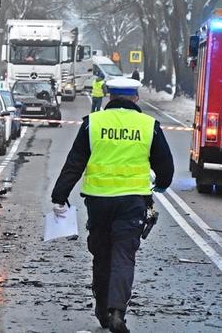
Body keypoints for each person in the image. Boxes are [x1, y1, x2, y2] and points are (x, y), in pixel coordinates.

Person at [51, 78, 174, 332]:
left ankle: (102, 309)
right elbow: (165, 166)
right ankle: (117, 311)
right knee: (123, 256)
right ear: (136, 98)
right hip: (132, 203)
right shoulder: (148, 125)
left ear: (109, 97)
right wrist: (160, 185)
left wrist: (59, 195)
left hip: (98, 203)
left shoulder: (93, 123)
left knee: (102, 254)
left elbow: (75, 162)